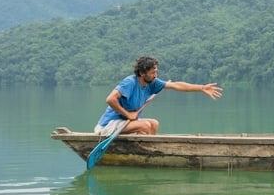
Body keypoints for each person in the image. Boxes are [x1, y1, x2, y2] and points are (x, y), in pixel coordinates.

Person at [94, 56, 223, 136]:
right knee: (145, 126)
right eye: (152, 72)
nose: (155, 75)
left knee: (154, 124)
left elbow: (177, 85)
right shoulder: (130, 82)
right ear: (142, 73)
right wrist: (128, 115)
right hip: (108, 125)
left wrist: (201, 88)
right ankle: (148, 150)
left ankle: (148, 148)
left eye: (156, 72)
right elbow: (110, 99)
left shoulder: (153, 83)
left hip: (124, 123)